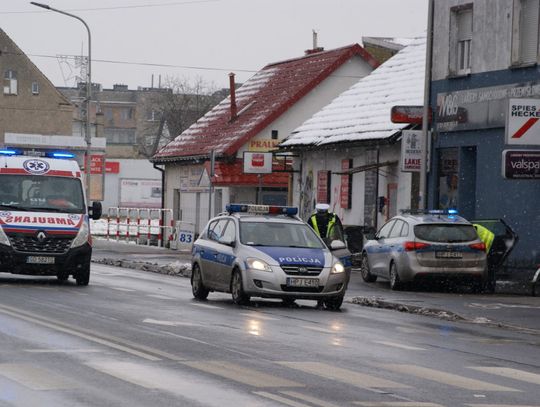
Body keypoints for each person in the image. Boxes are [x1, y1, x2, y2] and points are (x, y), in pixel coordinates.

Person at [473, 223, 496, 293]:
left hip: (489, 245)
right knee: (490, 269)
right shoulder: (475, 227)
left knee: (488, 268)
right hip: (491, 243)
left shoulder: (472, 229)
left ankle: (488, 287)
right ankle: (489, 287)